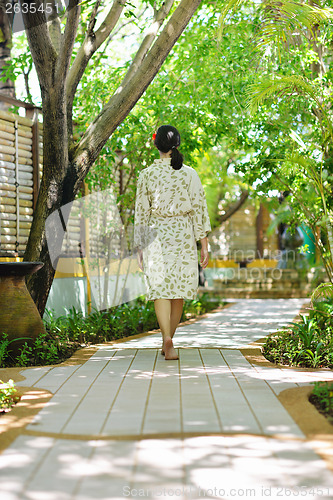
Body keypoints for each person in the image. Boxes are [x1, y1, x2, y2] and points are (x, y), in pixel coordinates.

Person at [133, 125, 211, 360]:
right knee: (178, 292)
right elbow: (199, 209)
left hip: (157, 235)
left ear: (156, 145)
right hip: (183, 236)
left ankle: (166, 337)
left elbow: (141, 212)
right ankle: (170, 340)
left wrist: (139, 245)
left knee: (160, 291)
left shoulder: (146, 174)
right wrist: (204, 244)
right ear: (177, 144)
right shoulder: (190, 174)